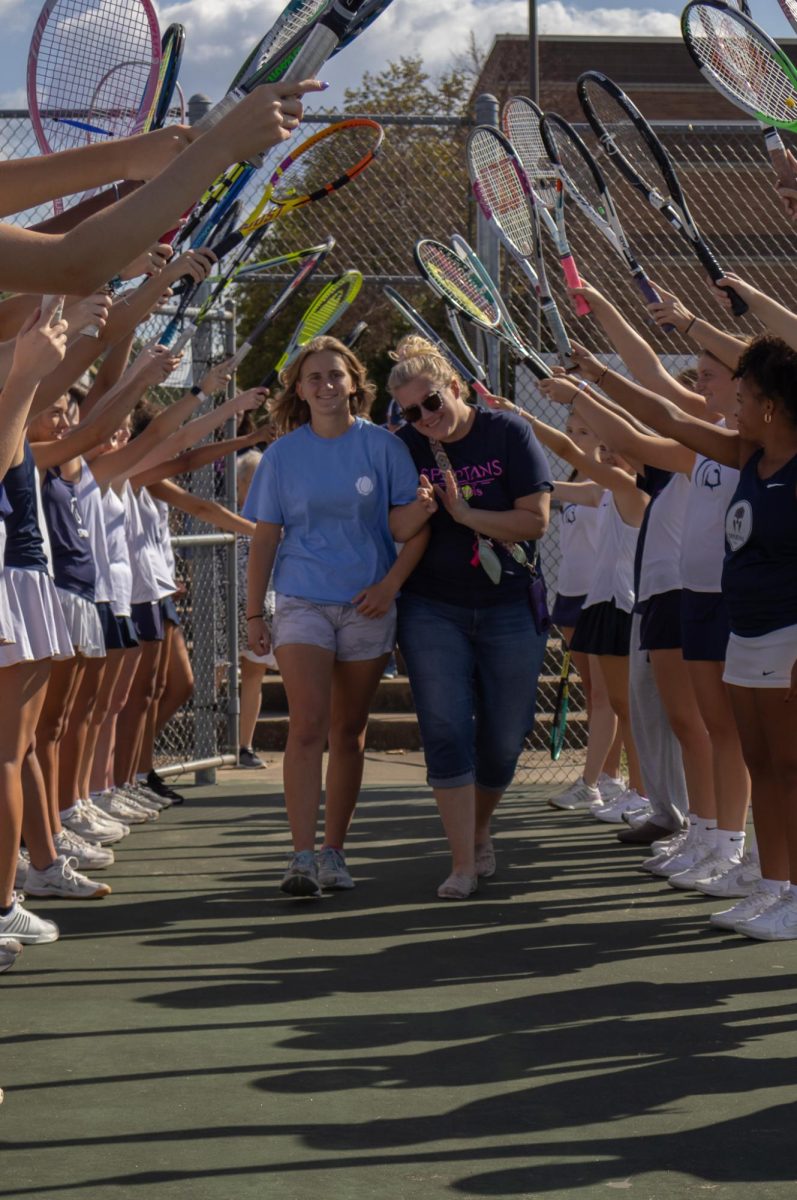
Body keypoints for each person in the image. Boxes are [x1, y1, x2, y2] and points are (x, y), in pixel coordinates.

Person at [581, 330, 797, 940]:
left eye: (746, 396)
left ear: (772, 406)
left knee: (789, 768)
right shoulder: (747, 456)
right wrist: (596, 376)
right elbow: (667, 416)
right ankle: (775, 887)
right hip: (746, 634)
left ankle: (796, 892)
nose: (735, 407)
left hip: (788, 637)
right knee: (760, 759)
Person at [244, 335, 434, 897]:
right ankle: (300, 856)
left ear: (354, 381)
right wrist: (256, 612)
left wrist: (389, 585)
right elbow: (265, 537)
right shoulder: (281, 455)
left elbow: (412, 527)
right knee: (307, 724)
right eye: (314, 378)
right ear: (299, 391)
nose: (325, 386)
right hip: (301, 601)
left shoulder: (385, 447)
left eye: (335, 375)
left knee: (348, 731)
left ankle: (333, 853)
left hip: (367, 606)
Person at [387, 338, 552, 899]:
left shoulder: (507, 432)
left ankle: (480, 828)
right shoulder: (403, 447)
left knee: (505, 739)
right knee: (445, 728)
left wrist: (465, 512)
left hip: (508, 602)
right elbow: (394, 529)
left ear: (454, 387)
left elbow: (535, 523)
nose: (425, 418)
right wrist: (424, 510)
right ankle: (462, 860)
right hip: (432, 607)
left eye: (431, 402)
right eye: (411, 412)